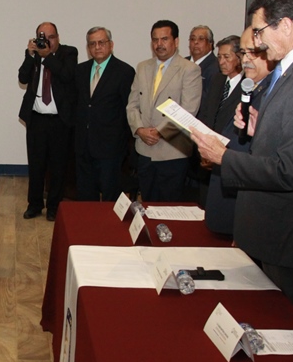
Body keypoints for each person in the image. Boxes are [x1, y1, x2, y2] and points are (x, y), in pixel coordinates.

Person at [193, 0, 293, 306]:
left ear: (286, 25)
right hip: (271, 230)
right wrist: (258, 127)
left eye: (260, 32)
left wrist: (224, 157)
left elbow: (291, 170)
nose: (258, 44)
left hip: (286, 235)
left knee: (281, 331)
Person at [202, 30, 271, 237]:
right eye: (244, 53)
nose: (246, 59)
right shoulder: (217, 81)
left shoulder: (258, 89)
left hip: (235, 168)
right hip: (216, 160)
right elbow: (210, 115)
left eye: (252, 53)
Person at [126, 20, 202, 202]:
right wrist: (139, 130)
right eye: (155, 40)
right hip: (144, 148)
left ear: (176, 41)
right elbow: (132, 105)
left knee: (169, 207)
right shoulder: (143, 67)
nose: (159, 44)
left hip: (172, 151)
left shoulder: (189, 69)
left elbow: (189, 111)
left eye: (164, 39)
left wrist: (159, 132)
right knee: (147, 204)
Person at [18, 21, 77, 221]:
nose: (47, 41)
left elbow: (67, 75)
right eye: (42, 37)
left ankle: (53, 207)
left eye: (51, 37)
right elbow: (23, 78)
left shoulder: (68, 53)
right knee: (36, 165)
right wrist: (30, 54)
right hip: (36, 119)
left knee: (58, 166)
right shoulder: (34, 55)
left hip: (59, 120)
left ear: (58, 38)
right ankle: (34, 204)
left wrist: (48, 57)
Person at [74, 26, 135, 202]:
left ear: (111, 44)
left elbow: (128, 109)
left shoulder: (124, 72)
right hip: (83, 145)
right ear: (88, 48)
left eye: (101, 42)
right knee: (85, 196)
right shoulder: (80, 71)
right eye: (92, 43)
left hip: (111, 148)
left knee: (110, 196)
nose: (97, 47)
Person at [195, 34, 244, 212]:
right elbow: (208, 114)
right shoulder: (217, 80)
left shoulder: (248, 86)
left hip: (227, 157)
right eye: (220, 57)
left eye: (226, 57)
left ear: (239, 57)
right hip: (207, 155)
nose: (221, 62)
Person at [187, 25, 218, 95]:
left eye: (201, 39)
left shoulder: (216, 67)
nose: (195, 42)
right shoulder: (182, 63)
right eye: (192, 39)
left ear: (210, 43)